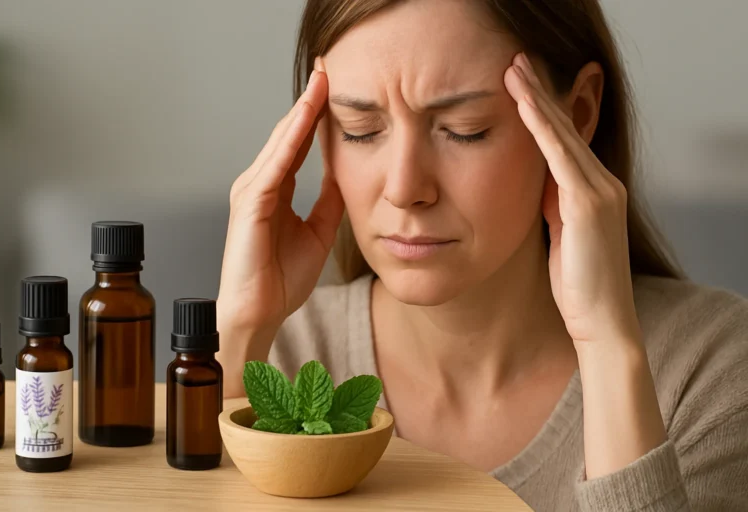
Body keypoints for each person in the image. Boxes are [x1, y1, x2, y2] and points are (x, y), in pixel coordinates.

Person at [216, 0, 748, 510]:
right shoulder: (282, 359)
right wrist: (238, 339)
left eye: (464, 130)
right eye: (360, 130)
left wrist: (608, 349)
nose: (404, 188)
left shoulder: (710, 370)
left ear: (578, 113)